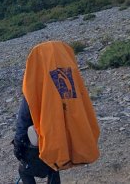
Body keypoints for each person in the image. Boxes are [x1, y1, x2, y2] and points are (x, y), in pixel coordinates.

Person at [13, 40, 100, 183]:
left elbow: (24, 119)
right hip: (64, 143)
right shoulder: (72, 81)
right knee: (53, 166)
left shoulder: (35, 87)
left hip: (45, 144)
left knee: (24, 170)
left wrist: (18, 145)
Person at [14, 95, 60, 184]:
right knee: (54, 167)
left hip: (38, 147)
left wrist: (17, 148)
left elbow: (22, 124)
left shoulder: (30, 95)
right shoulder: (52, 92)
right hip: (55, 142)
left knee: (24, 171)